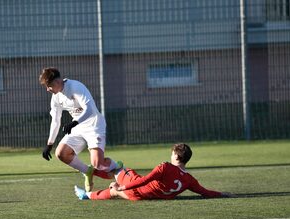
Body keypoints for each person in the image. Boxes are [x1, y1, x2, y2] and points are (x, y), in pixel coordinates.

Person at [39, 67, 121, 191]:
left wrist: (74, 122)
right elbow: (55, 121)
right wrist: (49, 144)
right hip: (78, 127)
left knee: (98, 163)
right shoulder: (56, 97)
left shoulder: (75, 87)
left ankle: (119, 167)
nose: (47, 89)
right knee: (61, 153)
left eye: (49, 86)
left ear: (56, 82)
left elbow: (89, 110)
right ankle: (87, 172)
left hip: (94, 124)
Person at [74, 143, 233, 200]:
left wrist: (124, 186)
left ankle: (88, 171)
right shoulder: (189, 180)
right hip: (141, 197)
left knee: (119, 168)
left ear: (176, 156)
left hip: (134, 188)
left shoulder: (165, 167)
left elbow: (146, 179)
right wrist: (222, 194)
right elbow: (204, 192)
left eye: (172, 153)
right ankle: (86, 195)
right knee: (113, 190)